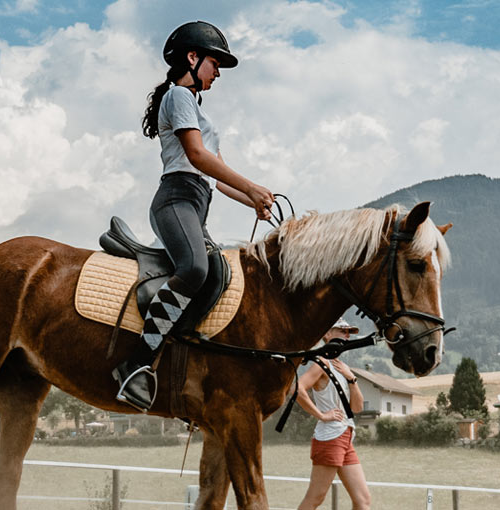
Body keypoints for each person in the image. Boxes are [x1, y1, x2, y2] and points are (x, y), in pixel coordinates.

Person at [114, 20, 276, 411]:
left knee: (216, 272)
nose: (218, 72)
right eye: (215, 63)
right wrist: (252, 185)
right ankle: (136, 366)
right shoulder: (178, 95)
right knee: (195, 269)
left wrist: (253, 199)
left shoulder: (201, 114)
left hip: (197, 200)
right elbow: (197, 157)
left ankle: (184, 357)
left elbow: (217, 178)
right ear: (192, 57)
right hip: (176, 199)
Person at [295, 318, 371, 510]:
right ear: (327, 334)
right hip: (330, 437)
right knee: (315, 498)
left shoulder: (342, 367)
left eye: (349, 333)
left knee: (363, 501)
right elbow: (297, 389)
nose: (347, 336)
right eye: (342, 331)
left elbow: (357, 408)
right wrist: (321, 415)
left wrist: (351, 378)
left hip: (346, 436)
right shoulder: (321, 363)